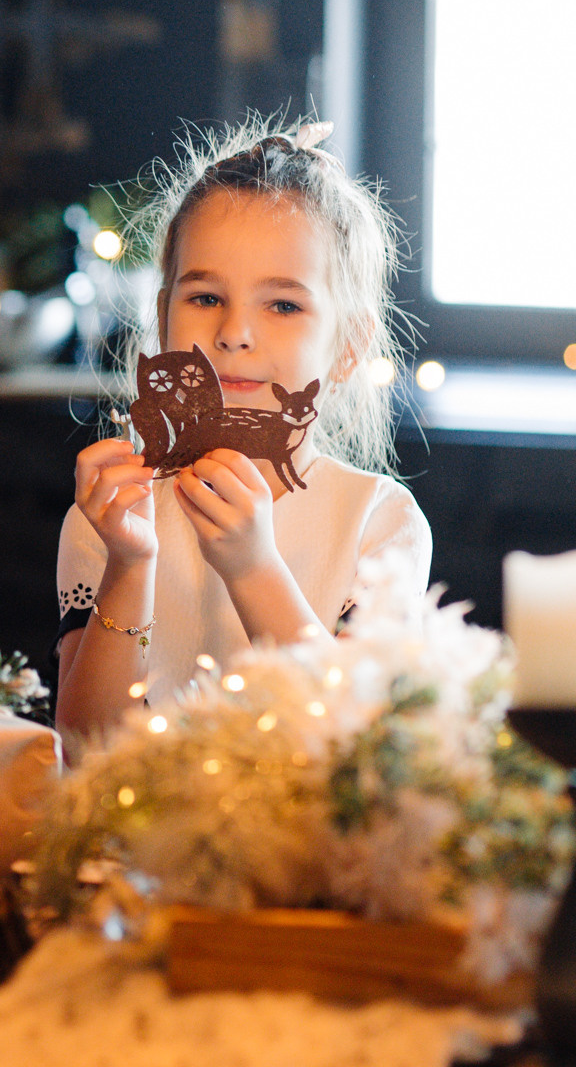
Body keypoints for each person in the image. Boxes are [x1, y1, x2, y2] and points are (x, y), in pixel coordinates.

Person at [53, 119, 431, 742]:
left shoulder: (378, 521)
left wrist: (254, 567)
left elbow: (360, 747)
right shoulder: (112, 516)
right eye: (205, 297)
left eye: (283, 305)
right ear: (163, 319)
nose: (233, 333)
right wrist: (130, 563)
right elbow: (85, 751)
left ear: (348, 346)